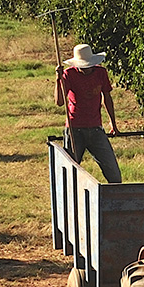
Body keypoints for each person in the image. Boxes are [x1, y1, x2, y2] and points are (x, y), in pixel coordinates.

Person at [55, 42, 121, 183]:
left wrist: (113, 124)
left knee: (114, 175)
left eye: (88, 65)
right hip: (74, 130)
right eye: (83, 66)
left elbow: (107, 98)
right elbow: (60, 102)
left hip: (96, 128)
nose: (86, 69)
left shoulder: (101, 73)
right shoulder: (69, 74)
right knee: (70, 173)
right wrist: (58, 80)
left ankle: (115, 195)